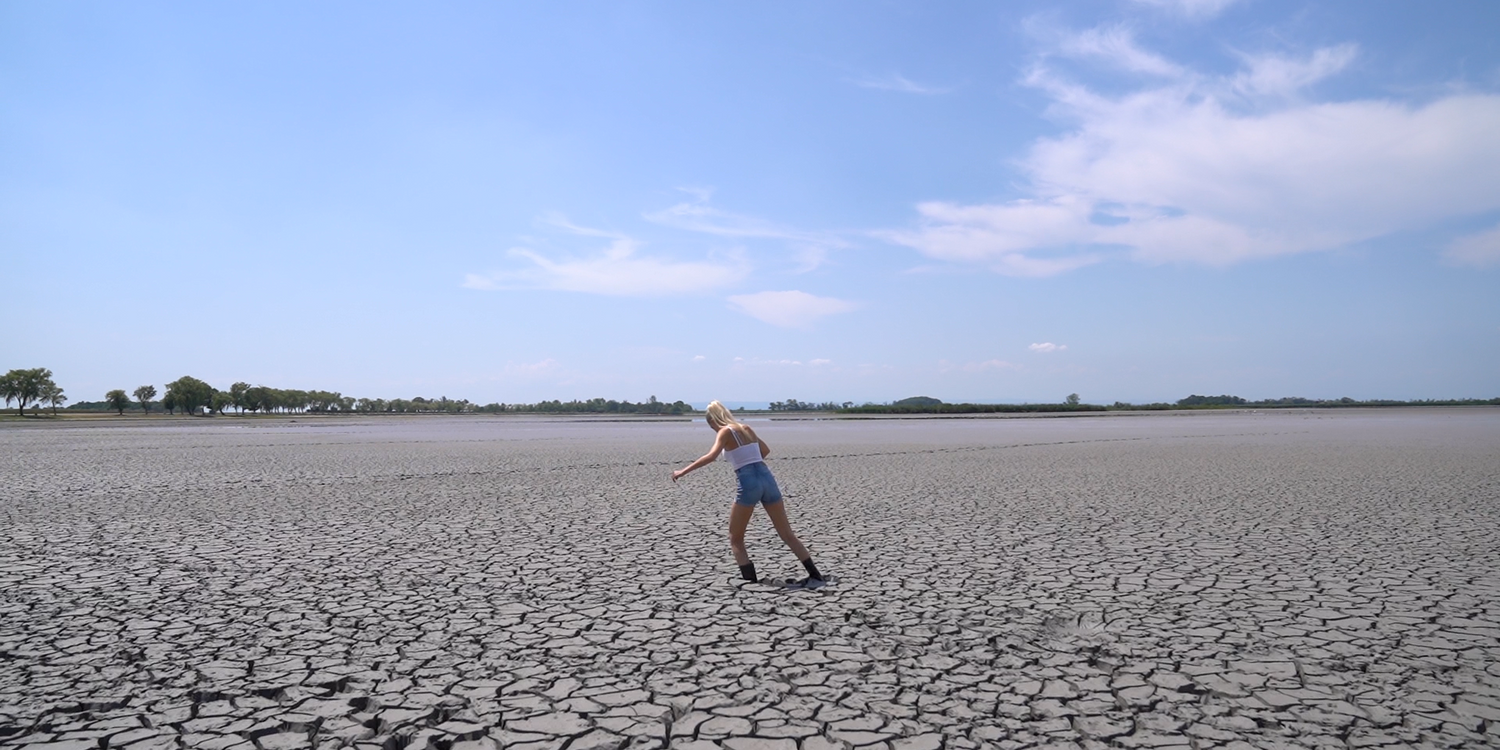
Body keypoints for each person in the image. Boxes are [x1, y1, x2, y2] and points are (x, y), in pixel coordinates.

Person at [672, 401, 825, 586]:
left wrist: (682, 472)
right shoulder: (746, 428)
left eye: (710, 425)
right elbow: (765, 450)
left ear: (713, 420)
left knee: (735, 538)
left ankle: (750, 581)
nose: (712, 428)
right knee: (787, 534)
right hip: (767, 478)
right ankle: (815, 575)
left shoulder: (725, 431)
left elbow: (711, 456)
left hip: (748, 481)